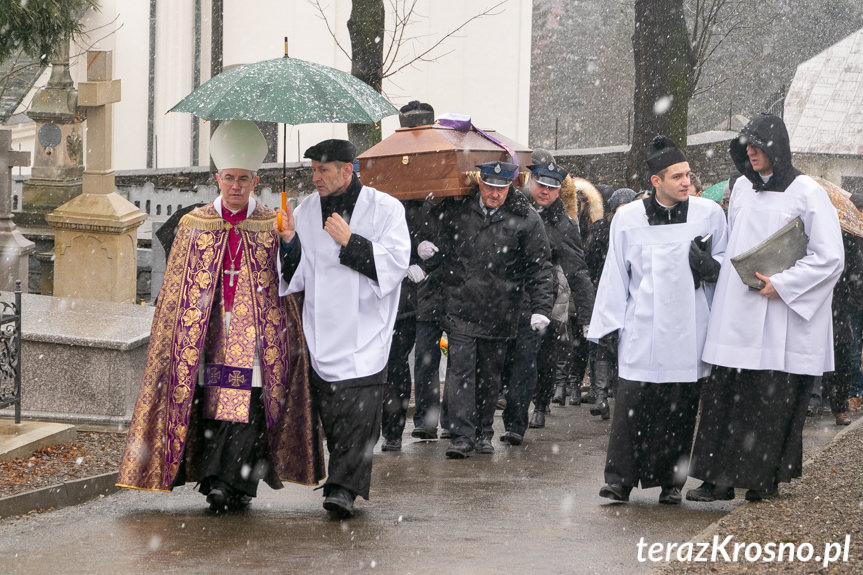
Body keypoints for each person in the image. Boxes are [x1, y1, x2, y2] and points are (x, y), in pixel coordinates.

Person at [117, 120, 324, 512]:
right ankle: (216, 480)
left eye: (243, 179)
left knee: (247, 409)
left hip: (257, 338)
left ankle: (235, 485)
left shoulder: (270, 222)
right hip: (209, 335)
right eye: (229, 178)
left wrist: (290, 240)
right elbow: (176, 291)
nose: (235, 186)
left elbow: (292, 279)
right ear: (217, 178)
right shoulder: (194, 224)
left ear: (255, 180)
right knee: (209, 406)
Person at [688, 114, 844, 503]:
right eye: (746, 147)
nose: (751, 152)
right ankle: (717, 478)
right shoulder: (741, 188)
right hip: (736, 310)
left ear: (777, 147)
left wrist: (784, 285)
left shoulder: (808, 192)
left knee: (767, 402)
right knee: (726, 396)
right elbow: (733, 244)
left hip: (780, 315)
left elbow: (829, 257)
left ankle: (761, 477)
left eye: (758, 145)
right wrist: (713, 263)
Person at [588, 135, 728, 504]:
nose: (686, 181)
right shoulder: (628, 219)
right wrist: (607, 327)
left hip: (689, 327)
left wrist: (711, 267)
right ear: (655, 181)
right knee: (632, 408)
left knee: (680, 409)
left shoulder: (709, 214)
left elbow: (728, 264)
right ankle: (620, 479)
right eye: (677, 176)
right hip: (643, 327)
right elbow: (615, 273)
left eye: (688, 174)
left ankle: (671, 481)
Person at [276, 138, 410, 519]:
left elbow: (396, 263)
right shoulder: (304, 209)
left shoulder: (384, 208)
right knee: (334, 413)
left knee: (360, 413)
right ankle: (340, 477)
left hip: (366, 328)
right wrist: (288, 242)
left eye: (323, 170)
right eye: (313, 170)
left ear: (347, 170)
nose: (315, 177)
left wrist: (352, 242)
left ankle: (343, 489)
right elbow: (297, 274)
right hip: (323, 326)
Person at [423, 160, 553, 458]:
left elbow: (540, 268)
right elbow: (440, 240)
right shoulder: (458, 210)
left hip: (500, 309)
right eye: (489, 187)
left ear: (511, 186)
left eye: (501, 188)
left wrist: (541, 307)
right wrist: (425, 253)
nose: (494, 194)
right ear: (479, 183)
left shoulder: (526, 219)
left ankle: (483, 432)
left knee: (489, 375)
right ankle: (462, 435)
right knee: (460, 372)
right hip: (460, 305)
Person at [514, 153, 594, 436]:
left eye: (551, 186)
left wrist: (587, 316)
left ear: (560, 189)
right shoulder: (515, 208)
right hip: (513, 295)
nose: (545, 191)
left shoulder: (564, 224)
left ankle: (539, 404)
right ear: (530, 181)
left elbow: (578, 271)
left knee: (544, 356)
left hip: (546, 296)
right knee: (516, 358)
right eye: (540, 184)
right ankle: (517, 408)